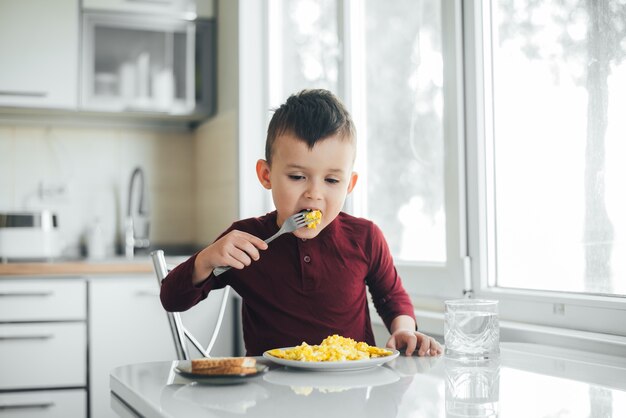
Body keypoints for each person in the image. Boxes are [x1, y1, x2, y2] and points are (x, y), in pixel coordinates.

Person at [160, 89, 442, 357]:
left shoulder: (365, 237)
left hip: (352, 394)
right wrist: (206, 260)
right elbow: (172, 299)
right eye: (297, 177)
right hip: (271, 396)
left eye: (332, 180)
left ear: (349, 184)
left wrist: (404, 330)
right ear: (266, 175)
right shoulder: (244, 239)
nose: (314, 193)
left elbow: (392, 298)